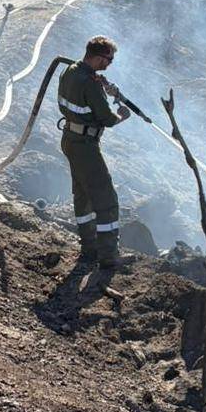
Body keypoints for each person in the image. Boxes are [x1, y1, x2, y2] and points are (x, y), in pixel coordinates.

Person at [58, 35, 131, 268]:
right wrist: (122, 115)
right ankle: (108, 255)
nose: (109, 64)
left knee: (83, 195)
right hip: (86, 146)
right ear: (98, 57)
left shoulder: (70, 71)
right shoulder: (89, 82)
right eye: (108, 60)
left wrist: (98, 86)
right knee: (106, 198)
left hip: (70, 138)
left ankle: (89, 248)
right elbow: (107, 118)